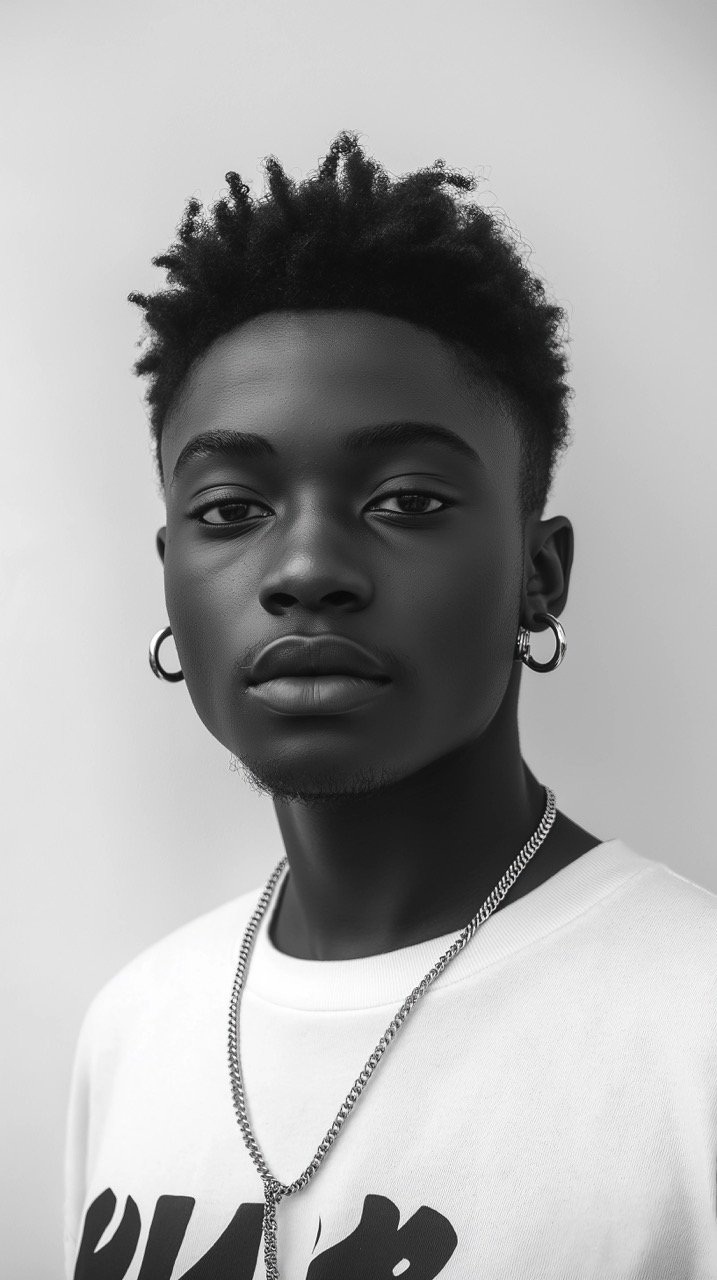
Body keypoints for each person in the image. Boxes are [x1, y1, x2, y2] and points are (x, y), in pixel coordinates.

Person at [64, 131, 717, 1280]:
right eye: (230, 508)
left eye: (406, 497)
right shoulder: (132, 1028)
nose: (306, 564)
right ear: (168, 570)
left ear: (540, 571)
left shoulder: (692, 1028)